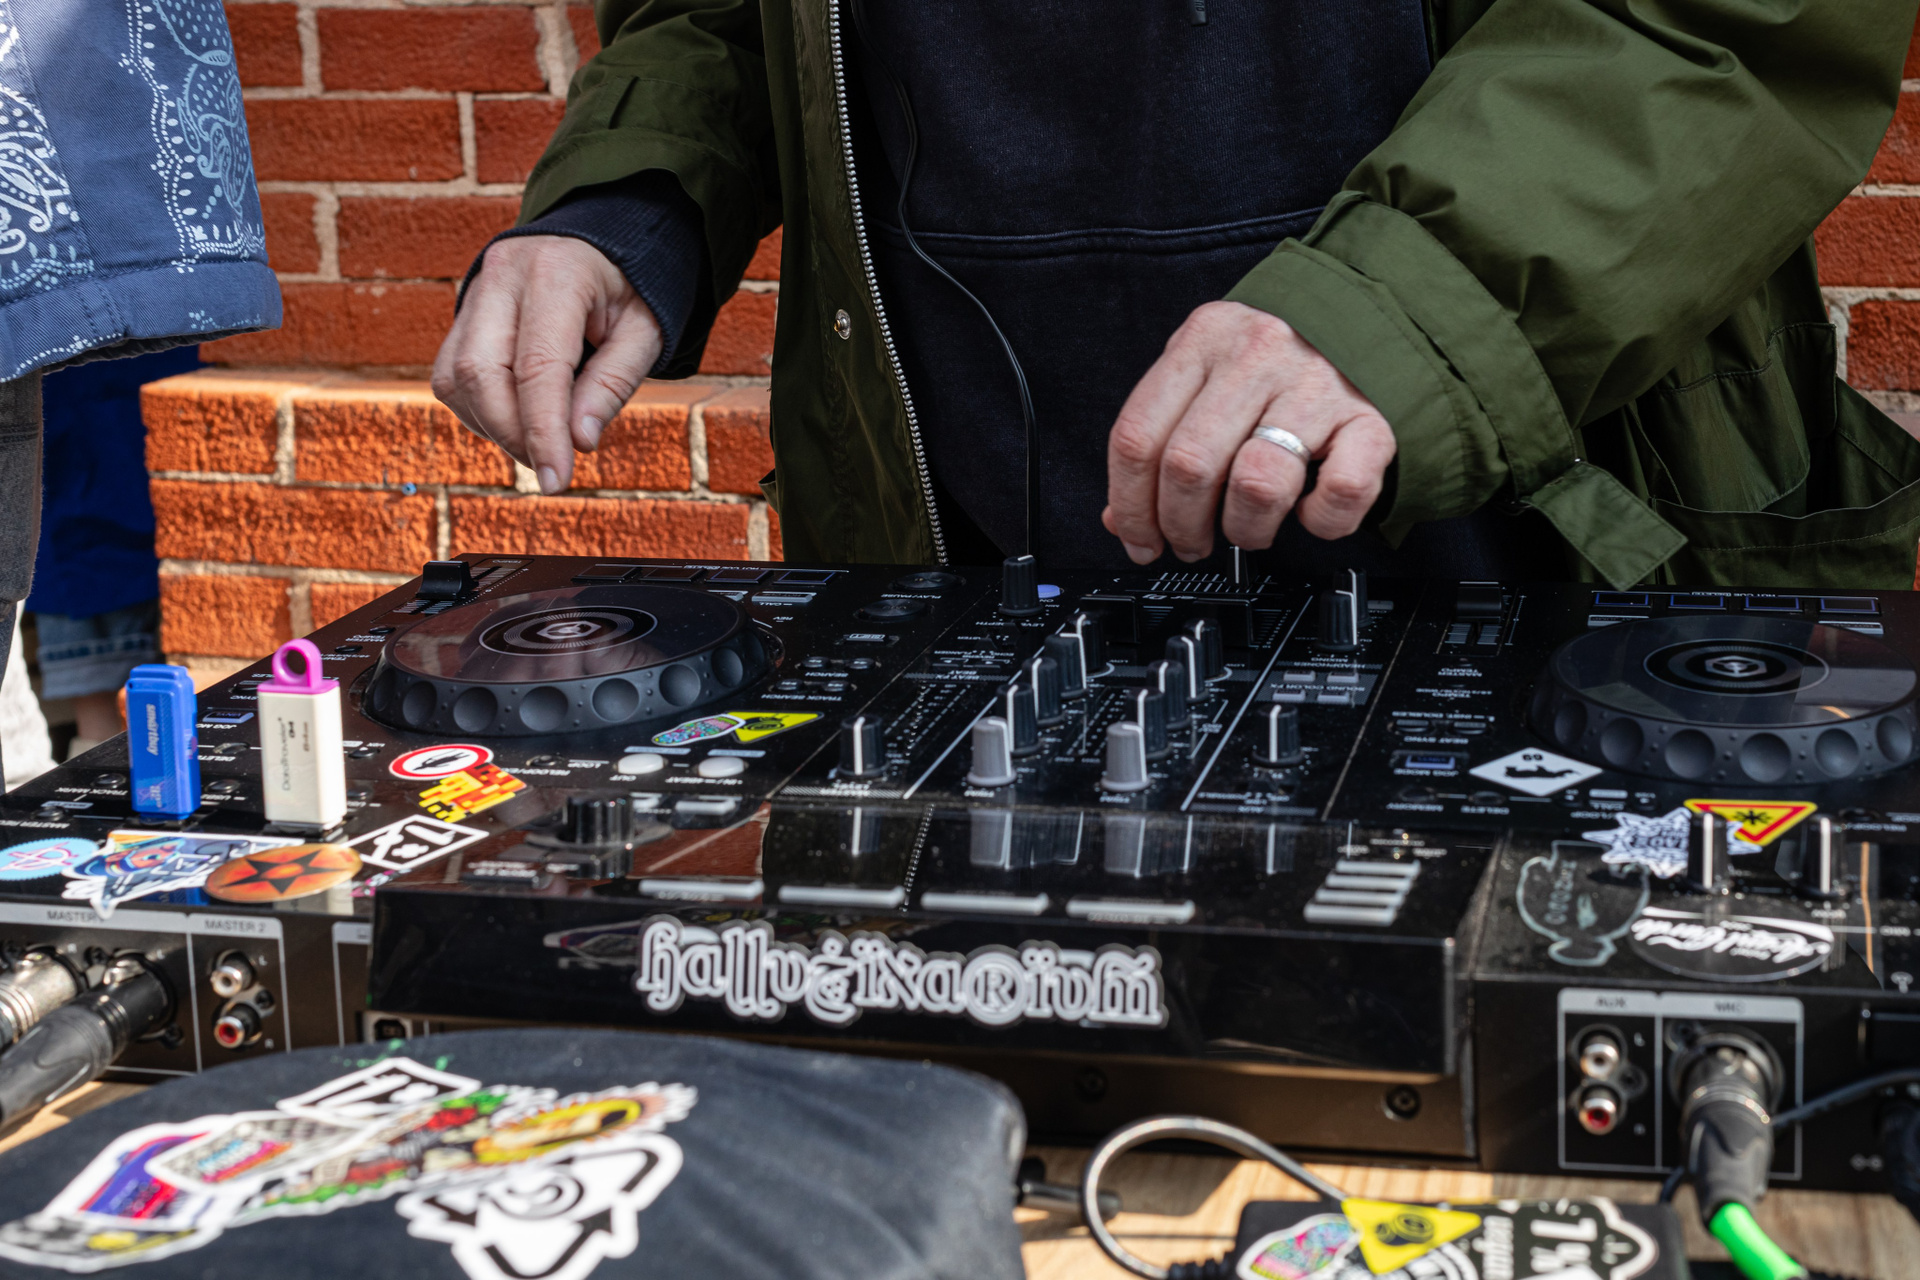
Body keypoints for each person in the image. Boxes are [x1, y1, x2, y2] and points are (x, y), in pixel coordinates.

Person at [434, 0, 1920, 592]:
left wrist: (1413, 304)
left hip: (1543, 535)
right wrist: (629, 200)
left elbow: (1717, 18)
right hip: (961, 570)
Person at [0, 0, 279, 785]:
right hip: (80, 208)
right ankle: (88, 728)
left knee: (98, 431)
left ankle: (95, 731)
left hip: (92, 202)